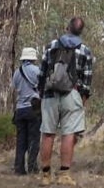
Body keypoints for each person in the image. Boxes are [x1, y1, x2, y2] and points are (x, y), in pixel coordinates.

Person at [39, 17, 96, 186]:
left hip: (50, 94)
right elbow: (87, 79)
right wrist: (82, 98)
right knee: (68, 134)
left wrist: (41, 93)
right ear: (81, 31)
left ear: (67, 27)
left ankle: (45, 175)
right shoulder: (85, 50)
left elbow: (42, 73)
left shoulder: (51, 46)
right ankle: (64, 174)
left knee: (48, 133)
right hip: (72, 94)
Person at [13, 47, 44, 175]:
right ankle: (32, 167)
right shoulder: (37, 71)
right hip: (34, 108)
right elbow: (43, 86)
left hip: (20, 109)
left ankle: (19, 168)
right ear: (33, 59)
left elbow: (15, 88)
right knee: (34, 139)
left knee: (21, 140)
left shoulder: (16, 72)